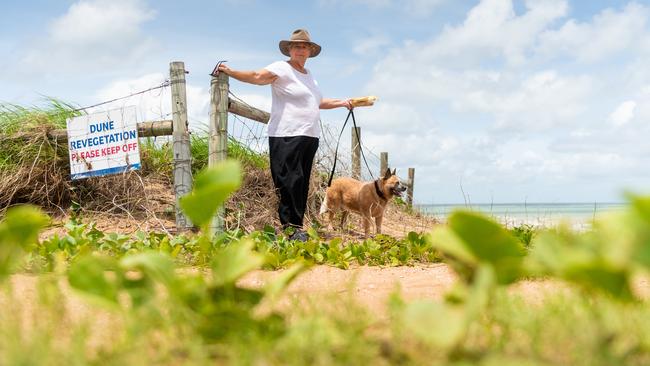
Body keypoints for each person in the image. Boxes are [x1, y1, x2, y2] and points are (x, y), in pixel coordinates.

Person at [218, 29, 352, 241]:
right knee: (289, 180)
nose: (301, 50)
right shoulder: (281, 68)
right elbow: (257, 77)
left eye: (304, 46)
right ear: (290, 49)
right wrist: (231, 72)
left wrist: (343, 103)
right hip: (286, 134)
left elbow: (317, 102)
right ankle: (289, 227)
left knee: (301, 182)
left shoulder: (309, 77)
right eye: (297, 46)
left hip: (309, 136)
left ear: (310, 51)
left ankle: (297, 226)